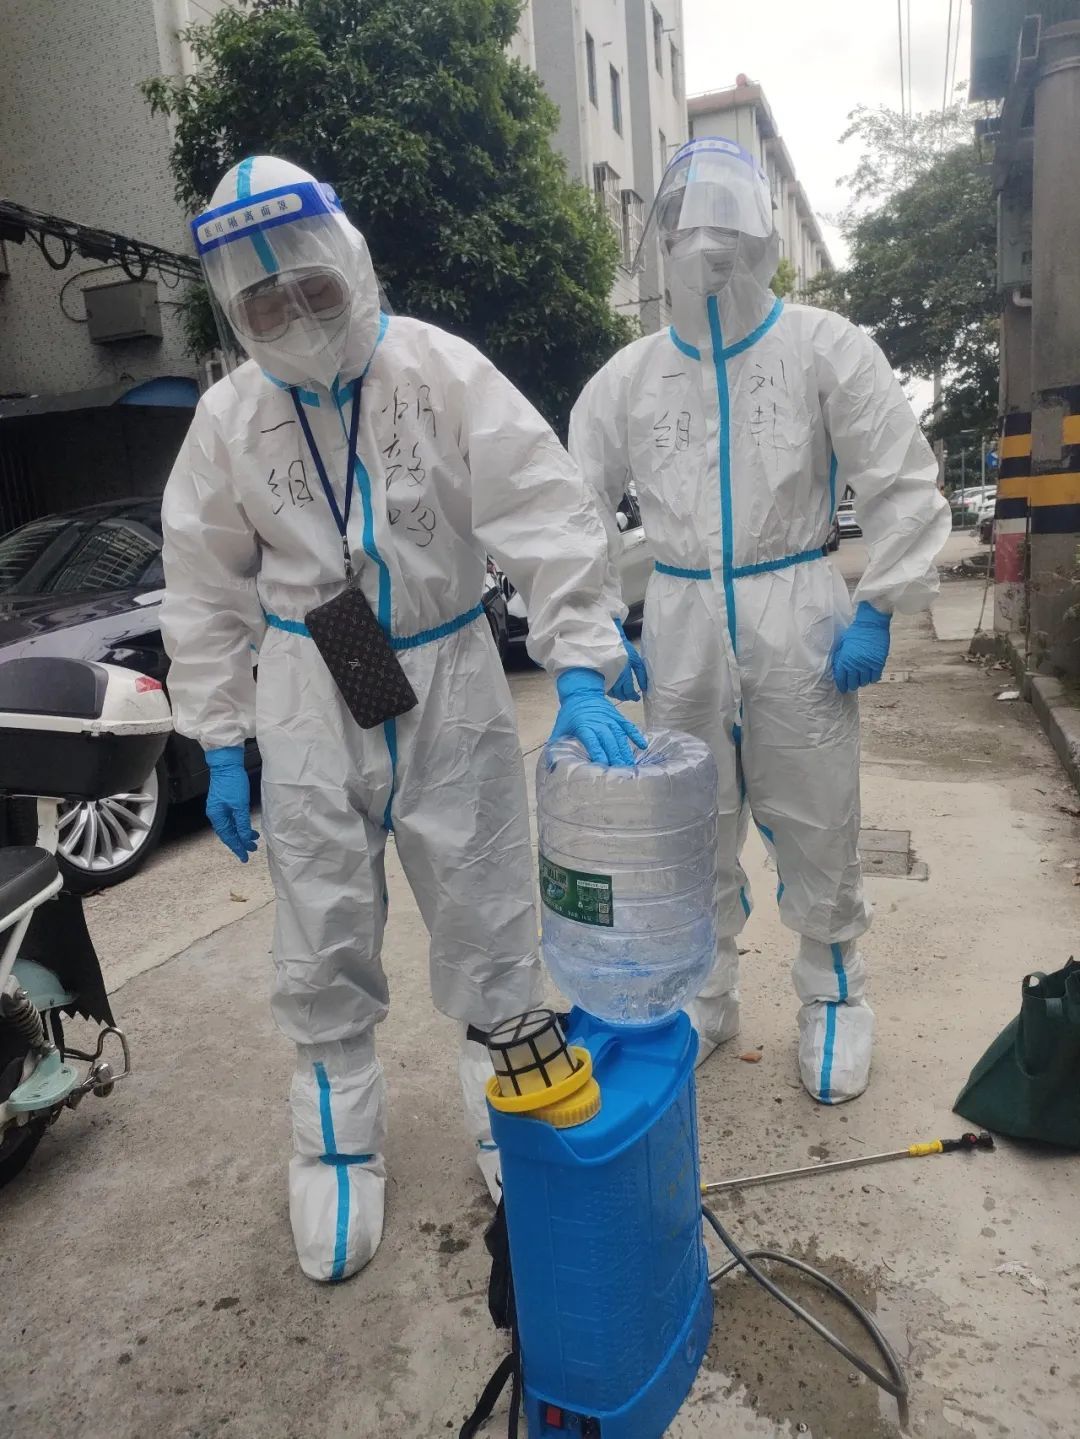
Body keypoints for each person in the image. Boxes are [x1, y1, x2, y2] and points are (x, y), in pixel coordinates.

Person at [160, 155, 640, 1282]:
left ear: (350, 262)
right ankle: (335, 1141)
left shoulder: (438, 370)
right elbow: (201, 582)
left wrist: (579, 661)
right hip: (304, 681)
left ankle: (510, 1108)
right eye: (264, 303)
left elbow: (547, 509)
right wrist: (221, 737)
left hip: (449, 668)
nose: (294, 316)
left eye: (312, 287)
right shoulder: (229, 417)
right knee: (321, 913)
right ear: (235, 310)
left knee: (486, 900)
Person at [569, 137, 950, 1105]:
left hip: (799, 610)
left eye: (727, 235)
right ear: (663, 247)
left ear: (759, 240)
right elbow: (571, 509)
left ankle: (834, 992)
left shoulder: (824, 347)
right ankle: (707, 991)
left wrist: (880, 604)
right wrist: (592, 632)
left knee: (817, 811)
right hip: (682, 615)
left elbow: (902, 478)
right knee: (690, 819)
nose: (710, 256)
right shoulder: (628, 378)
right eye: (690, 237)